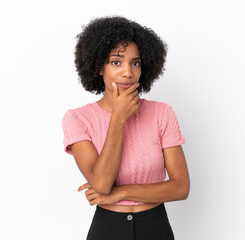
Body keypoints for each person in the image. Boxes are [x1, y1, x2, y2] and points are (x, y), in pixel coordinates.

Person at [61, 16, 190, 240]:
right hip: (108, 229)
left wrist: (121, 193)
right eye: (116, 62)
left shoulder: (161, 113)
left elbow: (181, 187)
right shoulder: (78, 119)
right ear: (99, 67)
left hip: (155, 227)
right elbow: (101, 184)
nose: (128, 72)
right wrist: (118, 118)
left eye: (135, 62)